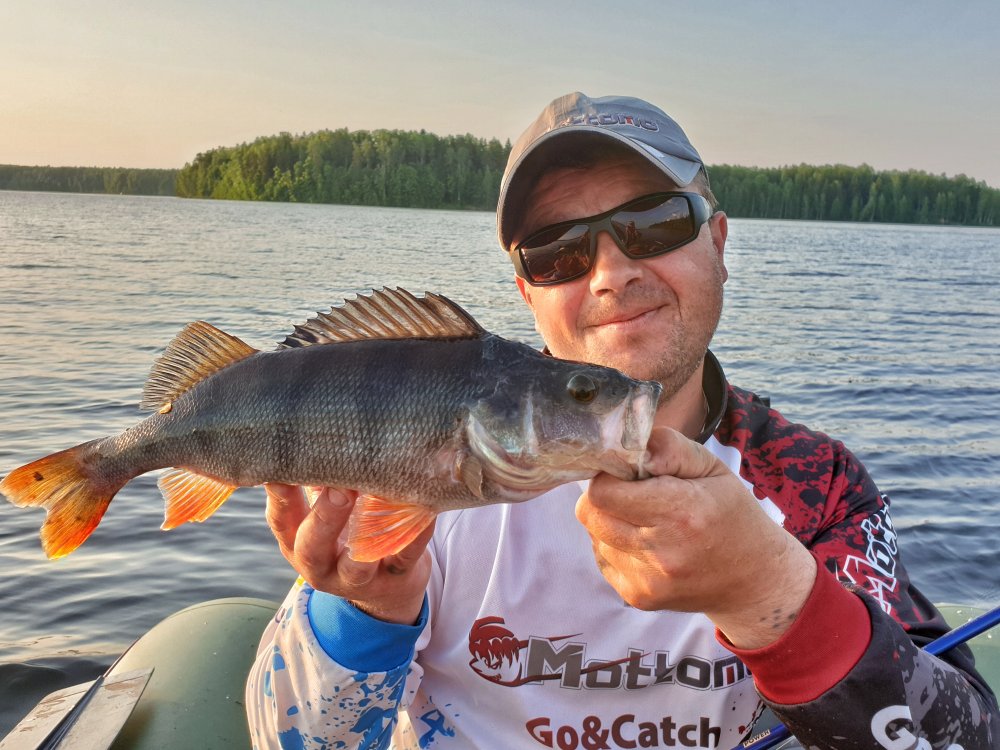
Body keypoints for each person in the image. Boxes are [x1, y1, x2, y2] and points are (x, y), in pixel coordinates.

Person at [245, 92, 999, 749]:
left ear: (719, 243)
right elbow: (296, 740)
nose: (610, 273)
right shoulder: (432, 470)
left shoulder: (814, 486)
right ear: (526, 294)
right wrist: (369, 609)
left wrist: (768, 594)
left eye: (654, 223)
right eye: (556, 253)